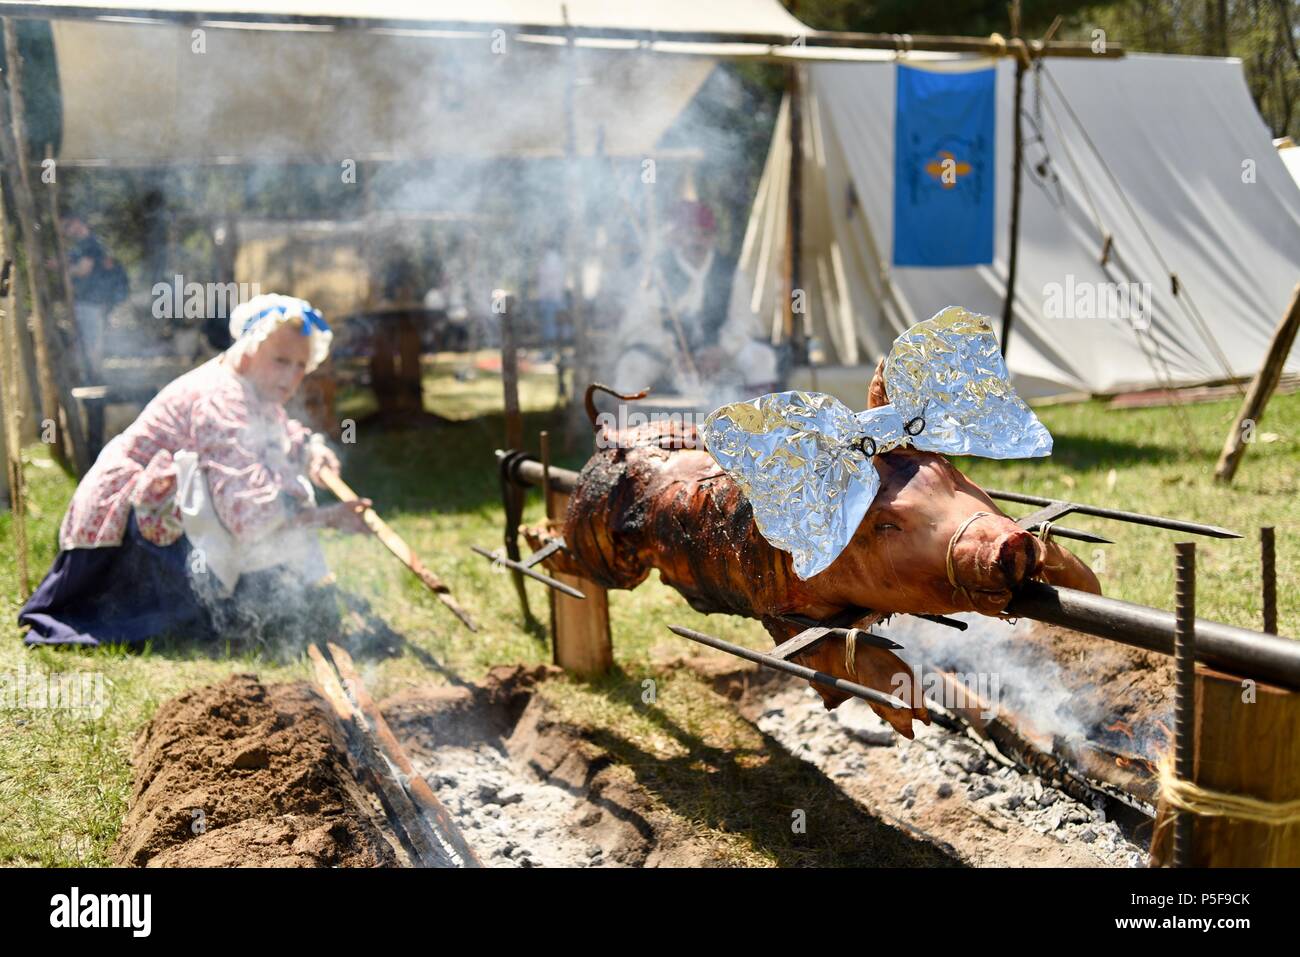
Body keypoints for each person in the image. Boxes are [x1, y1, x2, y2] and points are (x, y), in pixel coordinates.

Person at [18, 294, 371, 649]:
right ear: (248, 349)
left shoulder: (251, 387)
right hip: (126, 536)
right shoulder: (220, 399)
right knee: (257, 502)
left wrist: (313, 451)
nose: (290, 376)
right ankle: (186, 609)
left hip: (162, 520)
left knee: (273, 495)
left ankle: (239, 599)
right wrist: (327, 518)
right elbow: (250, 516)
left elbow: (282, 432)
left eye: (300, 366)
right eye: (280, 360)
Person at [612, 200, 778, 402]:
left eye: (705, 235)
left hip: (716, 354)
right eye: (691, 233)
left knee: (761, 358)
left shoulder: (729, 272)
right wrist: (671, 352)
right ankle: (622, 430)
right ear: (678, 235)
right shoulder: (658, 271)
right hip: (668, 358)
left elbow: (742, 319)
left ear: (713, 238)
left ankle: (759, 426)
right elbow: (639, 323)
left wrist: (722, 350)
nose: (697, 241)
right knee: (630, 366)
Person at [61, 215, 126, 380]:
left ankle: (94, 378)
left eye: (68, 225)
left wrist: (63, 269)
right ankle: (89, 377)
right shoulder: (83, 246)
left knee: (92, 343)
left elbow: (84, 270)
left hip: (91, 302)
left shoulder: (91, 245)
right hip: (89, 301)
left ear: (78, 222)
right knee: (87, 342)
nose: (66, 231)